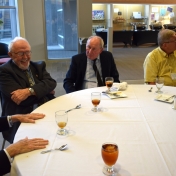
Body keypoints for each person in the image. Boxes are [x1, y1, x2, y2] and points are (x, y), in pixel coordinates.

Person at [0, 37, 57, 143]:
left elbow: (52, 83)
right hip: (21, 116)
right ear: (10, 55)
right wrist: (43, 90)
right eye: (21, 53)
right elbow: (23, 101)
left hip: (45, 108)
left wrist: (29, 91)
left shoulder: (38, 66)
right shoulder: (4, 72)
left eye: (28, 52)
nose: (26, 57)